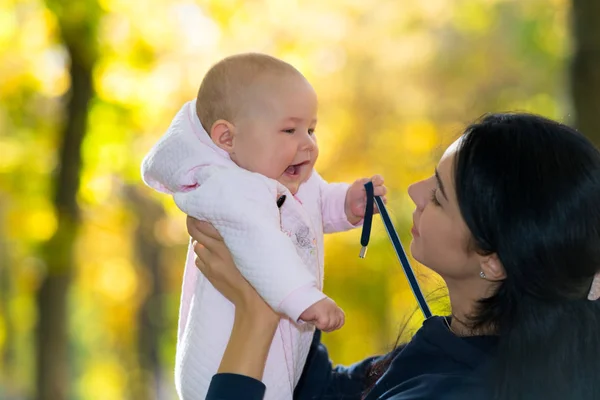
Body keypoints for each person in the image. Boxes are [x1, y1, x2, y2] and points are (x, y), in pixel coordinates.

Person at [187, 113, 600, 400]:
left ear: (493, 260)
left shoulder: (461, 390)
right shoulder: (469, 346)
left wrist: (256, 317)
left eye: (438, 196)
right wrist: (288, 250)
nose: (415, 193)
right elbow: (325, 393)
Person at [140, 53, 386, 400]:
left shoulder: (280, 174)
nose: (308, 144)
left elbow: (314, 202)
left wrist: (346, 204)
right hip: (223, 361)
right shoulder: (231, 189)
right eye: (290, 129)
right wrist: (305, 299)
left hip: (280, 352)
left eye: (311, 129)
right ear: (228, 139)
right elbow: (262, 245)